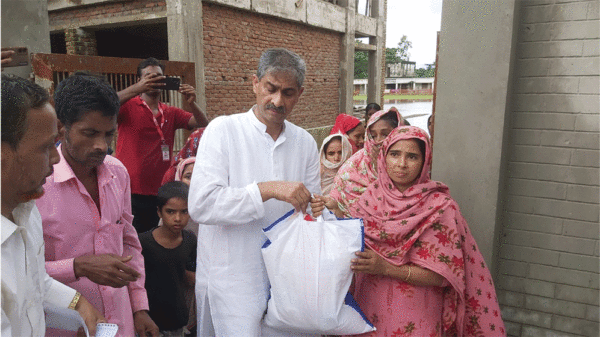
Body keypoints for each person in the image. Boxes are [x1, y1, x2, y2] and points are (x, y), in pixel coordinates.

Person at [188, 48, 321, 336]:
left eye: (288, 93)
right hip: (233, 282)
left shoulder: (305, 143)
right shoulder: (222, 130)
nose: (277, 101)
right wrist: (267, 189)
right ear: (255, 84)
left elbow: (312, 213)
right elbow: (201, 205)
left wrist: (325, 211)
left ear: (299, 93)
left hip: (288, 282)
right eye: (270, 89)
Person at [347, 126, 506, 336]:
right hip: (369, 307)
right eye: (395, 154)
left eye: (412, 156)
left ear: (425, 161)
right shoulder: (368, 200)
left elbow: (446, 275)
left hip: (417, 312)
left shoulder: (440, 207)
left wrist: (387, 268)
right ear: (384, 157)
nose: (401, 164)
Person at [36, 74, 159, 337]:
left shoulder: (118, 173)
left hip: (121, 324)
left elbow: (128, 241)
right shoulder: (35, 185)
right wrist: (78, 266)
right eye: (90, 133)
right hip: (66, 327)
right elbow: (21, 269)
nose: (102, 146)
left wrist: (139, 308)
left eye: (108, 134)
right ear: (61, 128)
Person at [1, 74, 105, 336]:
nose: (56, 158)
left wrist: (77, 303)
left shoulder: (26, 210)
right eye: (46, 147)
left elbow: (34, 284)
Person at [116, 57, 209, 233]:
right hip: (130, 190)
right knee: (133, 238)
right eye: (148, 77)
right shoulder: (127, 106)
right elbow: (105, 103)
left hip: (161, 191)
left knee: (158, 238)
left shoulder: (170, 112)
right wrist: (137, 89)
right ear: (139, 80)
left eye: (158, 76)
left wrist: (192, 103)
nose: (154, 80)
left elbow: (202, 122)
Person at [315, 108, 403, 218]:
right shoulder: (353, 167)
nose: (377, 141)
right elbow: (337, 206)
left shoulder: (405, 164)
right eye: (373, 136)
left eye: (385, 135)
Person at [140, 181, 197, 337]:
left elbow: (190, 275)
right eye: (170, 212)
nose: (177, 218)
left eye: (184, 212)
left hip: (178, 320)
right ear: (159, 212)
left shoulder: (190, 241)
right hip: (150, 322)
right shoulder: (143, 243)